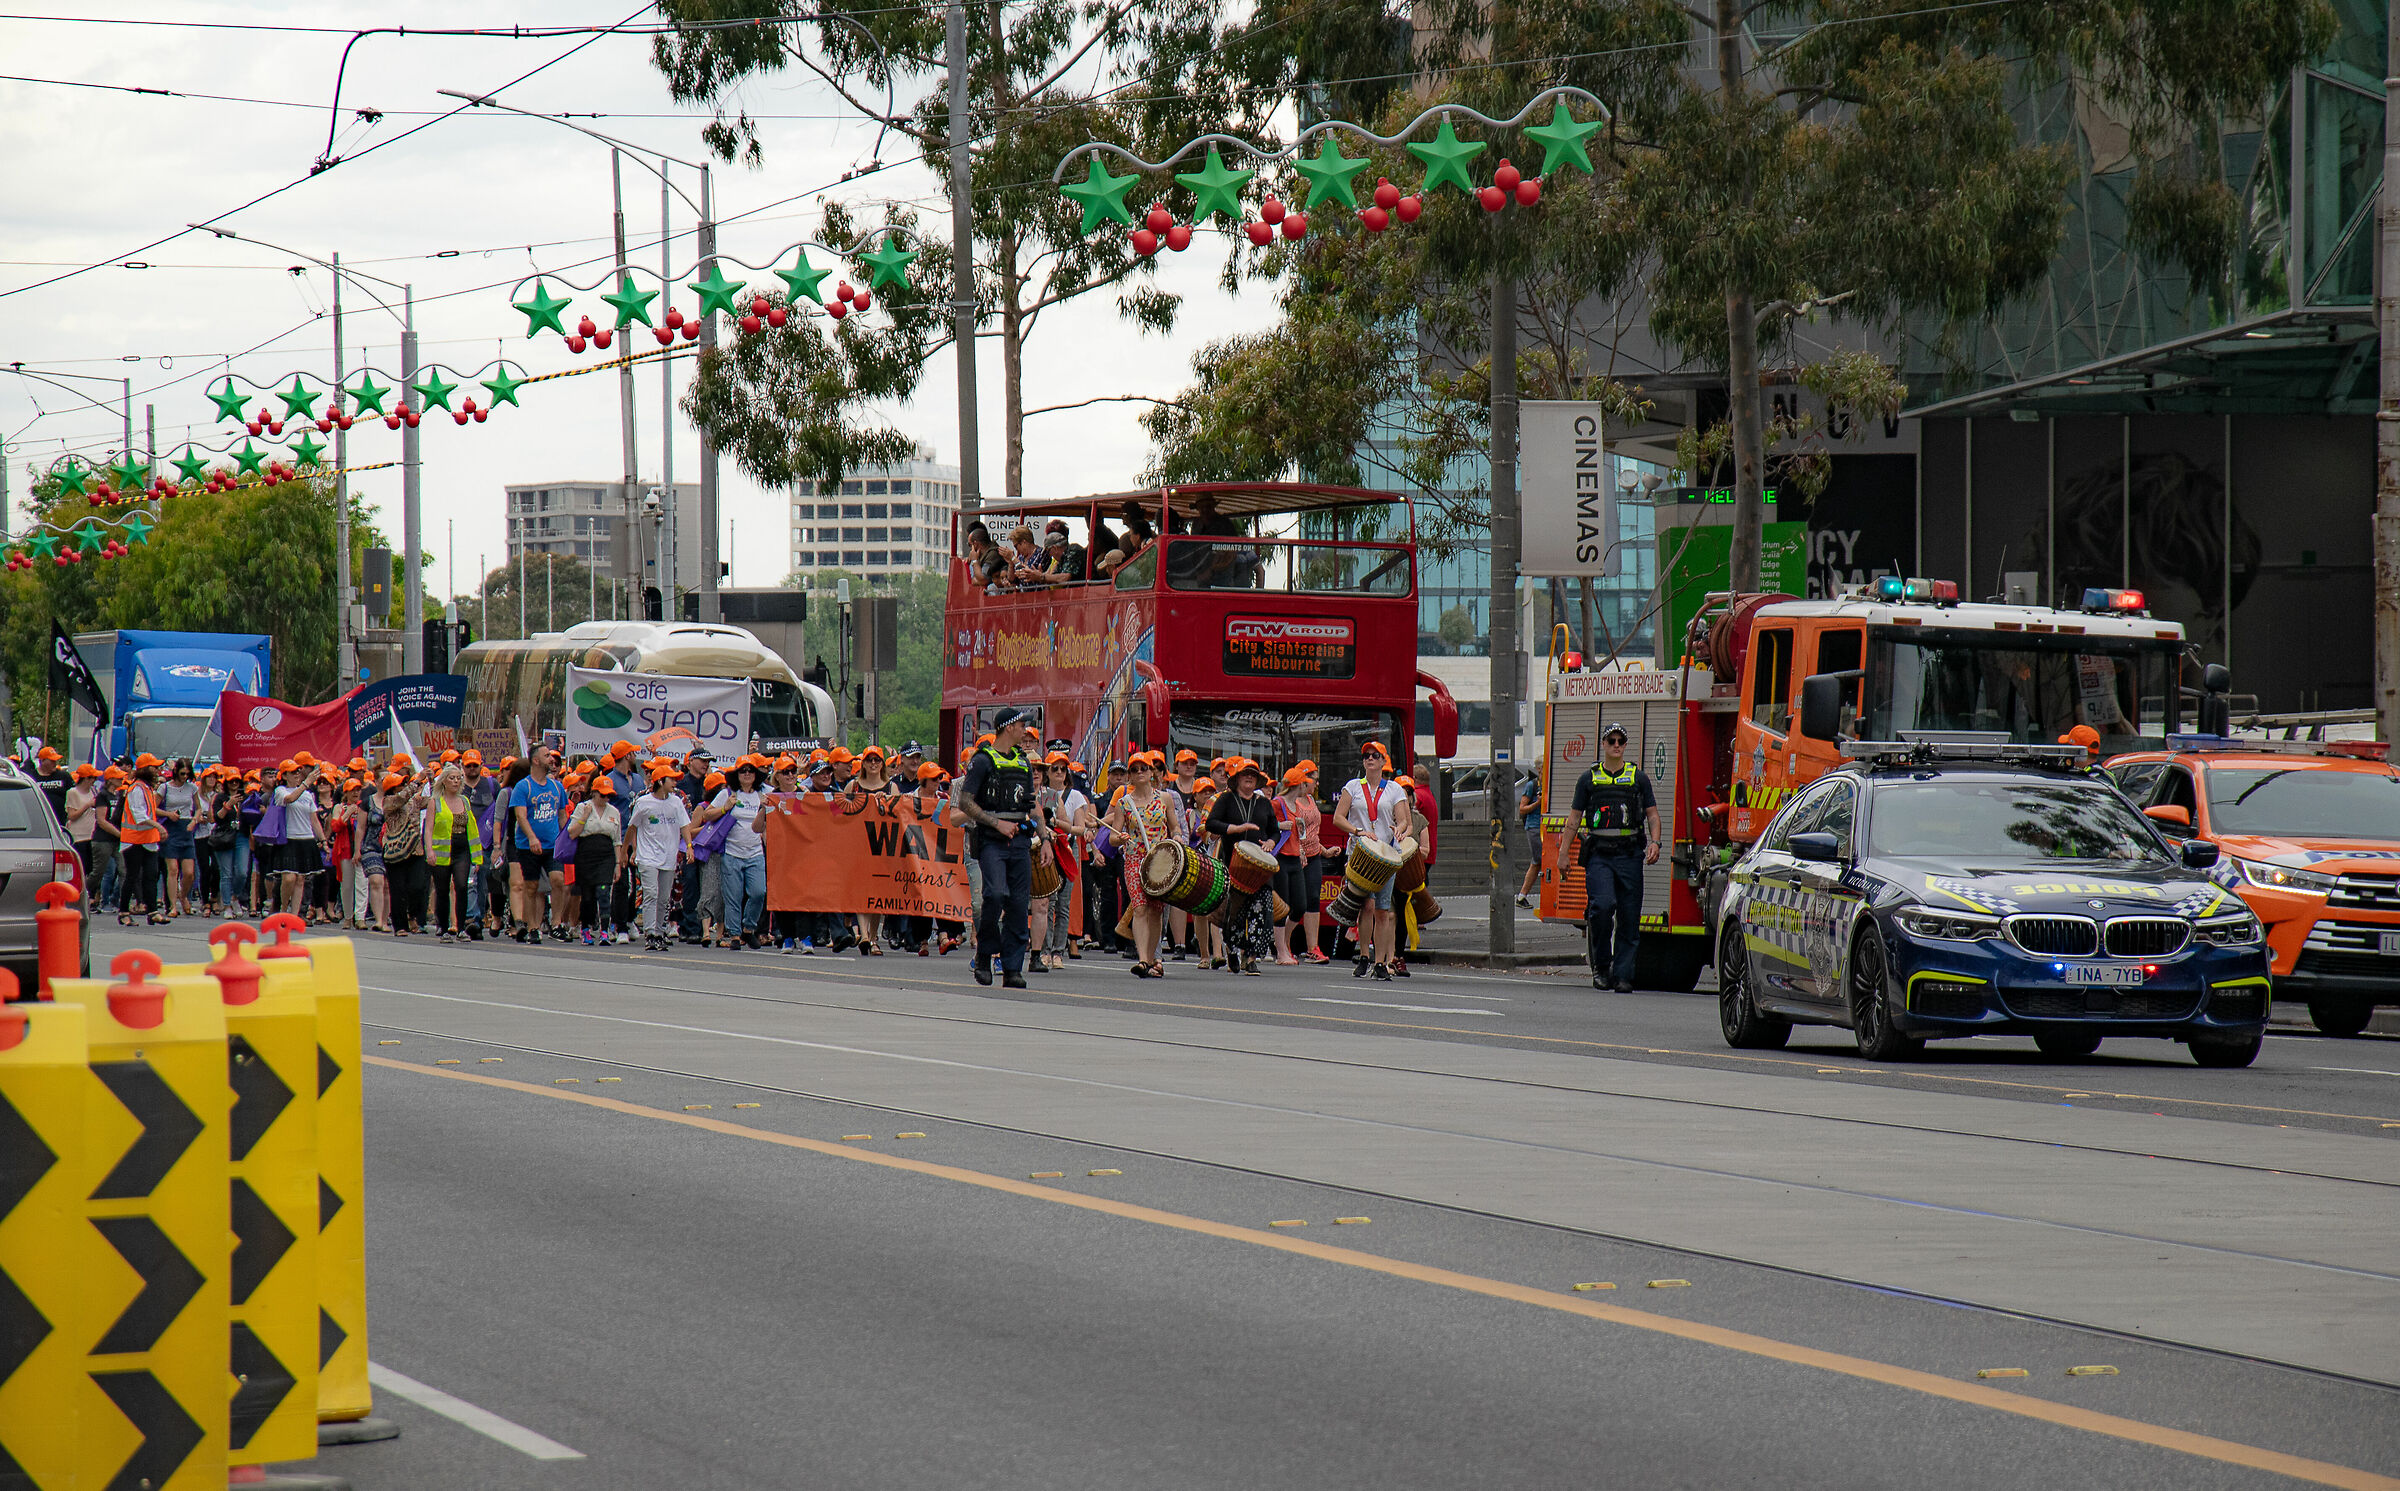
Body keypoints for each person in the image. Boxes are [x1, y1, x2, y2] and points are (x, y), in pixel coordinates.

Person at [953, 707, 1050, 988]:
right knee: (994, 895)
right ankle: (985, 956)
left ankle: (1012, 968)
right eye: (1022, 725)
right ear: (1009, 727)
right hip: (992, 840)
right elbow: (966, 803)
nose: (1026, 730)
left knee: (1019, 905)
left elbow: (1033, 805)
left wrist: (1044, 839)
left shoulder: (1022, 762)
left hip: (1019, 840)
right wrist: (996, 824)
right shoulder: (982, 760)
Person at [1570, 722, 1660, 993]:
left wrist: (1655, 842)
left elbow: (1653, 815)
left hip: (1630, 854)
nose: (1617, 745)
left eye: (1621, 740)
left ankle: (1622, 975)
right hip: (1599, 854)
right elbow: (1574, 820)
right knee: (1602, 908)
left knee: (1630, 917)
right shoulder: (1589, 779)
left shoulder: (1638, 778)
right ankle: (1601, 967)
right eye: (1612, 741)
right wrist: (1563, 856)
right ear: (1604, 744)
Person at [1337, 741, 1413, 980]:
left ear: (1383, 761)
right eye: (1366, 755)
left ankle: (1380, 962)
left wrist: (1399, 830)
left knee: (1382, 909)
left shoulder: (1394, 790)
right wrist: (1357, 831)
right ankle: (1363, 956)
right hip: (1360, 853)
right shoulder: (1352, 787)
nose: (1370, 758)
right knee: (1365, 907)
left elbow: (1404, 821)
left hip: (1385, 856)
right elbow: (1338, 818)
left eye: (1375, 755)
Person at [1103, 752, 1179, 977]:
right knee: (1139, 907)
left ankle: (1154, 957)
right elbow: (1113, 836)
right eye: (1134, 770)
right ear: (1130, 776)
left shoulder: (1164, 798)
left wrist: (1177, 838)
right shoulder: (1124, 803)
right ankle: (1143, 959)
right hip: (1135, 858)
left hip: (1160, 859)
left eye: (1143, 769)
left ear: (1151, 772)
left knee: (1156, 910)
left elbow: (1175, 827)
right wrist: (1121, 838)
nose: (1139, 773)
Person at [1207, 761, 1279, 975]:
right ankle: (1232, 949)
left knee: (1261, 911)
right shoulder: (1226, 799)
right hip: (1234, 864)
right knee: (1234, 912)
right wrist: (1236, 828)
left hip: (1259, 868)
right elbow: (1211, 823)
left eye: (1252, 775)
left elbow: (1275, 830)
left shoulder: (1264, 803)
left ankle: (1251, 957)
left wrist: (1270, 843)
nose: (1249, 777)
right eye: (1245, 774)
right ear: (1237, 778)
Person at [698, 757, 770, 948]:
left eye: (751, 770)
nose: (747, 774)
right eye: (743, 771)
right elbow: (706, 815)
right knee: (733, 896)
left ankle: (748, 928)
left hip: (755, 852)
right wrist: (725, 808)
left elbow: (787, 797)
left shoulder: (764, 794)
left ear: (756, 775)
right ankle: (735, 935)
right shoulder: (727, 793)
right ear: (737, 775)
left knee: (758, 892)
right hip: (731, 852)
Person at [1030, 752, 1090, 971]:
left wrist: (1053, 824)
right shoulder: (1023, 793)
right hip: (1029, 850)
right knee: (1044, 902)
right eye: (1053, 768)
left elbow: (1071, 825)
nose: (1057, 772)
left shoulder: (1056, 797)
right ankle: (1041, 950)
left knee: (1061, 902)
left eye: (1062, 769)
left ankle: (1057, 952)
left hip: (1058, 848)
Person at [510, 747, 570, 943]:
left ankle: (557, 924)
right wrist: (532, 837)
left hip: (553, 845)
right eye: (546, 756)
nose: (551, 759)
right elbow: (520, 816)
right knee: (532, 886)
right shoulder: (523, 787)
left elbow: (562, 815)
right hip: (528, 846)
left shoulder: (557, 787)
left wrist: (566, 839)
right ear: (536, 761)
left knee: (558, 880)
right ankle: (533, 927)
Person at [1273, 766, 1327, 965]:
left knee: (1304, 903)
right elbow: (1266, 824)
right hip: (1284, 856)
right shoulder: (1279, 803)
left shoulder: (1306, 803)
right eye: (1311, 781)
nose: (1314, 784)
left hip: (1303, 855)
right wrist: (1278, 827)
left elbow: (1306, 833)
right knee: (1283, 905)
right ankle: (1281, 950)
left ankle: (1290, 945)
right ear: (1301, 784)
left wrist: (1318, 849)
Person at [425, 765, 484, 943]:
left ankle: (460, 928)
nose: (456, 781)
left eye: (458, 778)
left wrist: (477, 856)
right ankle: (443, 928)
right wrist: (429, 850)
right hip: (442, 852)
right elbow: (428, 829)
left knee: (462, 886)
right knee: (442, 889)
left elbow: (472, 829)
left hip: (462, 850)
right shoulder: (435, 802)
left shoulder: (465, 801)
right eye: (452, 778)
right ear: (443, 780)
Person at [567, 776, 626, 945]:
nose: (606, 799)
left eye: (609, 796)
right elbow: (572, 833)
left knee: (603, 891)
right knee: (587, 896)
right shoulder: (583, 807)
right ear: (594, 793)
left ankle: (605, 931)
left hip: (606, 855)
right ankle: (585, 928)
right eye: (602, 795)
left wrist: (617, 864)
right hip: (586, 854)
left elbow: (617, 840)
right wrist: (583, 817)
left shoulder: (614, 812)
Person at [380, 766, 429, 936]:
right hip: (395, 851)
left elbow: (434, 800)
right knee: (398, 889)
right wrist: (417, 780)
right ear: (393, 788)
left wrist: (434, 781)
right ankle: (399, 925)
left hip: (415, 849)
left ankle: (412, 914)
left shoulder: (414, 801)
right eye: (402, 784)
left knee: (418, 886)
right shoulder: (388, 802)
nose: (406, 785)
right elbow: (401, 799)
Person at [117, 757, 166, 925]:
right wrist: (158, 827)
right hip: (133, 841)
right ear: (145, 769)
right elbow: (139, 816)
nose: (157, 771)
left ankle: (152, 911)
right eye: (154, 767)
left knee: (151, 875)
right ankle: (123, 912)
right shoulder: (136, 789)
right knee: (132, 876)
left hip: (148, 840)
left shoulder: (146, 788)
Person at [157, 758, 199, 918]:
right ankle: (173, 905)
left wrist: (194, 821)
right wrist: (168, 814)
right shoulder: (165, 787)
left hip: (186, 827)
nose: (185, 776)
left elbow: (198, 809)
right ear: (176, 772)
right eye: (182, 773)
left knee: (189, 872)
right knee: (173, 869)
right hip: (171, 827)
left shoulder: (192, 788)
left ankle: (184, 895)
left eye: (188, 774)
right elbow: (153, 807)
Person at [1515, 771, 1543, 907]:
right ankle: (1522, 896)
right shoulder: (1533, 785)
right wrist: (1537, 803)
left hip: (1543, 826)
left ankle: (1522, 896)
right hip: (1534, 827)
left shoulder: (1547, 784)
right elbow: (1522, 809)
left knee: (1536, 863)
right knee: (1539, 861)